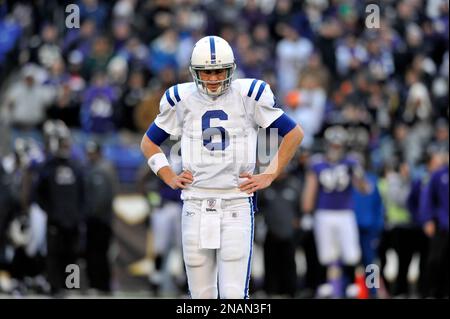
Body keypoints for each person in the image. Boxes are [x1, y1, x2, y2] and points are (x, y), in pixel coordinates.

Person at [140, 36, 304, 299]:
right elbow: (149, 143)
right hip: (195, 201)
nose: (214, 78)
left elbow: (294, 133)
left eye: (219, 71)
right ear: (195, 72)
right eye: (207, 72)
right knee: (201, 297)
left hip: (236, 202)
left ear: (231, 69)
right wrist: (167, 174)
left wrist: (271, 173)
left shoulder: (248, 95)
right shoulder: (181, 99)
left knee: (233, 295)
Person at [302, 125, 368, 298]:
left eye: (338, 145)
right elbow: (311, 188)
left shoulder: (351, 162)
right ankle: (325, 283)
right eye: (333, 144)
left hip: (345, 212)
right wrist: (307, 212)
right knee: (325, 252)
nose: (335, 148)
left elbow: (364, 189)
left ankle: (352, 283)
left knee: (351, 251)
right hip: (324, 212)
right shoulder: (317, 163)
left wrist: (359, 174)